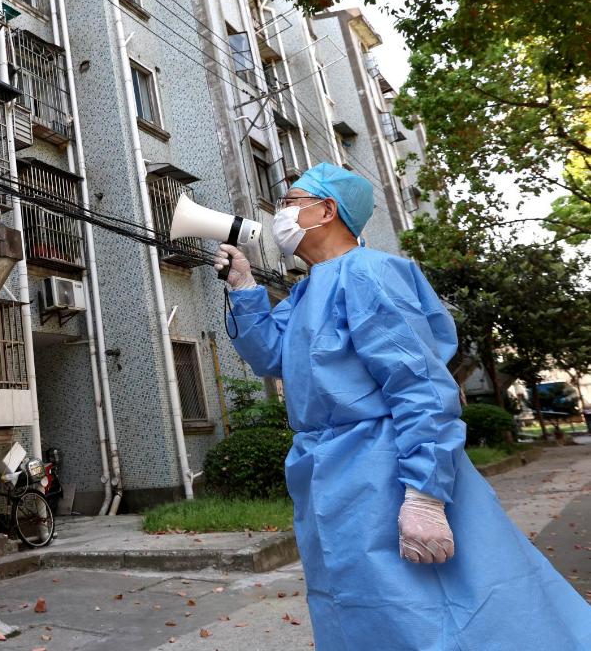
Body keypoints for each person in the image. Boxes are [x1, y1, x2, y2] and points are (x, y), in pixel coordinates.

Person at [216, 162, 591, 650]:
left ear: (327, 210)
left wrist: (425, 496)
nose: (280, 214)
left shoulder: (369, 274)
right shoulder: (308, 290)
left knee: (427, 610)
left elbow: (420, 387)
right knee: (357, 608)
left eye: (290, 202)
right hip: (328, 475)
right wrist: (244, 286)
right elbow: (271, 356)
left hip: (385, 469)